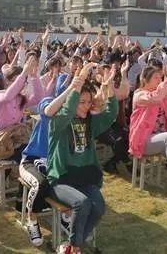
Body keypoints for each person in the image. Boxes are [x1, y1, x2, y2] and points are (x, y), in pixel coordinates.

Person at [47, 63, 117, 254]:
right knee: (82, 204)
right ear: (73, 101)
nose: (86, 106)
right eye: (82, 102)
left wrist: (109, 85)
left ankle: (71, 246)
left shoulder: (90, 122)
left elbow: (111, 114)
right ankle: (74, 247)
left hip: (84, 179)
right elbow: (68, 109)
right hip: (61, 179)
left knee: (99, 207)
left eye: (89, 102)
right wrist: (78, 84)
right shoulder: (58, 124)